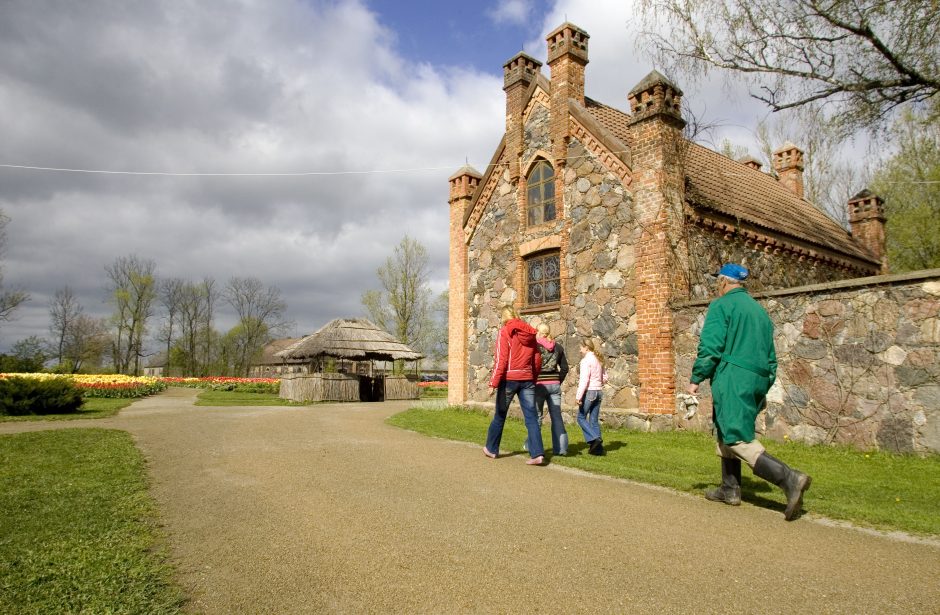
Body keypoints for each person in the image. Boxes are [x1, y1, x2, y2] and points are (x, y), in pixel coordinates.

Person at [687, 263, 812, 521]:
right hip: (756, 377)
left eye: (717, 282)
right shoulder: (759, 311)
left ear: (723, 282)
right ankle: (729, 489)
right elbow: (771, 358)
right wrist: (762, 383)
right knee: (726, 428)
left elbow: (711, 346)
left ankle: (789, 479)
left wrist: (696, 379)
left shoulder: (722, 306)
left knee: (736, 437)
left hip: (733, 375)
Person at [484, 306, 545, 465]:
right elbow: (537, 359)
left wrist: (493, 383)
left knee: (500, 415)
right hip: (527, 379)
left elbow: (501, 360)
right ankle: (537, 454)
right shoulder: (530, 333)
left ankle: (491, 449)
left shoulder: (505, 331)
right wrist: (533, 377)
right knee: (531, 417)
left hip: (509, 380)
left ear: (504, 316)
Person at [534, 323, 569, 456]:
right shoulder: (558, 347)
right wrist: (557, 380)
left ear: (539, 332)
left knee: (537, 416)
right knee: (557, 417)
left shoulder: (536, 347)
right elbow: (565, 368)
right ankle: (561, 449)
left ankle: (535, 448)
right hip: (554, 385)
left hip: (539, 385)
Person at [575, 337, 606, 456]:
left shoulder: (585, 361)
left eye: (581, 348)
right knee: (593, 420)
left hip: (590, 392)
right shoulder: (598, 359)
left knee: (581, 418)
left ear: (586, 348)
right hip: (599, 392)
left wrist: (578, 396)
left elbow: (584, 380)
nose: (580, 350)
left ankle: (595, 438)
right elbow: (605, 377)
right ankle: (598, 450)